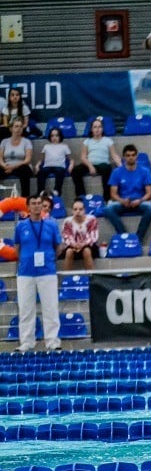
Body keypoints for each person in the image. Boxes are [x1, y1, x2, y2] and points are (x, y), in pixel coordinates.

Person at [13, 194, 63, 352]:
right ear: (28, 207)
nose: (36, 206)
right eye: (33, 203)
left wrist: (49, 259)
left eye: (39, 203)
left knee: (51, 308)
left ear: (43, 206)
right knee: (26, 309)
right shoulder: (20, 226)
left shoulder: (52, 225)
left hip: (47, 271)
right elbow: (17, 248)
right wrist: (26, 260)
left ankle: (53, 342)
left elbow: (59, 247)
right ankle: (27, 342)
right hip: (26, 273)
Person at [104, 144, 151, 242]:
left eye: (133, 155)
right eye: (127, 155)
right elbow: (113, 194)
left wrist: (140, 200)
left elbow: (150, 193)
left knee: (150, 207)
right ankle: (125, 237)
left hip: (139, 201)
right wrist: (122, 201)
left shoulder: (145, 171)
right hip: (123, 202)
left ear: (136, 156)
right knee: (108, 209)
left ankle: (138, 239)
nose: (130, 157)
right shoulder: (116, 172)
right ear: (123, 157)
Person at [70, 117, 120, 198]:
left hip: (103, 165)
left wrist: (122, 166)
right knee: (75, 171)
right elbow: (83, 157)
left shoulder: (108, 141)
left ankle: (106, 198)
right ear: (91, 129)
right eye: (95, 127)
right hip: (89, 164)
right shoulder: (87, 141)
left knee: (107, 169)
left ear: (102, 129)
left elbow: (114, 155)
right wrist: (90, 166)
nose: (97, 129)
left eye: (99, 127)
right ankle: (81, 196)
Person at [61, 199, 98, 271]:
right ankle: (66, 278)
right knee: (69, 252)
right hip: (73, 246)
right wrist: (74, 245)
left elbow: (93, 237)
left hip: (89, 246)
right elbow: (66, 236)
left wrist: (82, 244)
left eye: (80, 209)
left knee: (86, 251)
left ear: (84, 210)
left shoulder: (92, 219)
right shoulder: (67, 221)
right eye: (75, 209)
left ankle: (92, 278)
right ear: (72, 211)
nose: (78, 211)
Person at [0, 118, 33, 196]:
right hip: (7, 166)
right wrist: (3, 165)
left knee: (25, 169)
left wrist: (13, 167)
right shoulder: (4, 141)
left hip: (21, 166)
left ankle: (25, 200)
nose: (19, 129)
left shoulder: (27, 142)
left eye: (21, 126)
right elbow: (0, 157)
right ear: (11, 128)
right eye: (16, 126)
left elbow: (27, 160)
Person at [35, 127, 72, 197]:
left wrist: (71, 165)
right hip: (47, 166)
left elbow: (70, 159)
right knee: (41, 172)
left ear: (60, 136)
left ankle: (56, 191)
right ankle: (41, 191)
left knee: (60, 171)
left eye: (56, 135)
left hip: (59, 166)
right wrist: (37, 165)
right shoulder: (46, 146)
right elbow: (41, 159)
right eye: (52, 136)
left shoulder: (64, 146)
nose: (54, 138)